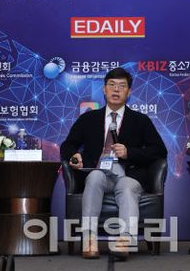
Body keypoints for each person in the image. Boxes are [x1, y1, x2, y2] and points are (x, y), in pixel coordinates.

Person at [60, 67, 168, 260]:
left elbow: (159, 151)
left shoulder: (140, 120)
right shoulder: (88, 118)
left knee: (126, 187)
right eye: (112, 85)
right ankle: (89, 240)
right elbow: (67, 145)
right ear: (104, 89)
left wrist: (130, 153)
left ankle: (125, 241)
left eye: (121, 86)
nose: (116, 90)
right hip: (99, 172)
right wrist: (74, 156)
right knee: (94, 176)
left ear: (129, 92)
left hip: (128, 175)